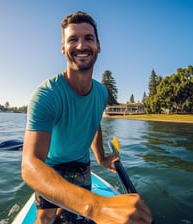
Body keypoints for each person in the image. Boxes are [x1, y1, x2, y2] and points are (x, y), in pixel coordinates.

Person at [21, 11, 153, 224]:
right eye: (73, 39)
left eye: (88, 38)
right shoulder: (46, 95)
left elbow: (94, 124)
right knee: (45, 218)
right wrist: (96, 206)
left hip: (82, 164)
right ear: (63, 47)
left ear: (98, 46)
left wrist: (100, 158)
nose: (81, 46)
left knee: (74, 215)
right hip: (51, 167)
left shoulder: (101, 93)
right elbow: (30, 165)